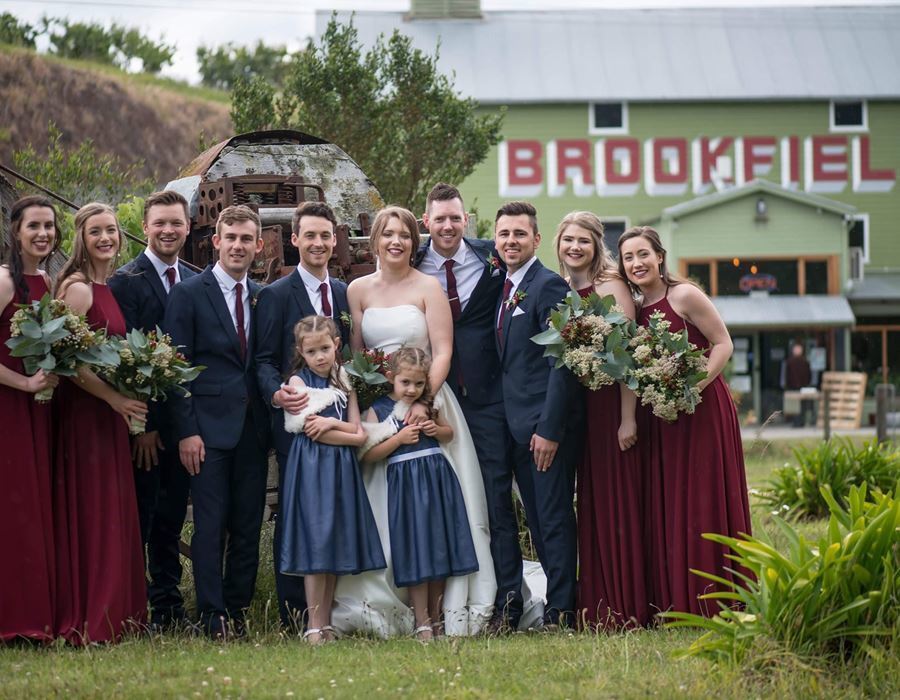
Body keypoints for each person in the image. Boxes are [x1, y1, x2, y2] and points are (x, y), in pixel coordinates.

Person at [333, 205, 496, 638]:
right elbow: (355, 356)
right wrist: (374, 408)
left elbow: (443, 350)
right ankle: (391, 604)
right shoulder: (357, 290)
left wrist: (420, 400)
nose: (396, 242)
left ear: (413, 240)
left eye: (404, 234)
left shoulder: (429, 286)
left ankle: (445, 611)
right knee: (384, 507)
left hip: (428, 401)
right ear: (375, 241)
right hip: (380, 410)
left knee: (443, 508)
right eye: (387, 234)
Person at [618, 226, 751, 617]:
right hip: (661, 416)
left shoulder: (685, 295)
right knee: (670, 501)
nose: (637, 263)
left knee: (702, 497)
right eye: (628, 258)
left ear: (659, 256)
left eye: (643, 254)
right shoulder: (635, 309)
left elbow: (723, 343)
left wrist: (691, 387)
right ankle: (675, 597)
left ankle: (716, 596)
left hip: (702, 410)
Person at [164, 205, 270, 639]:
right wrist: (186, 431)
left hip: (253, 430)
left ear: (258, 245)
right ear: (216, 242)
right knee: (210, 525)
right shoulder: (189, 294)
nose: (239, 246)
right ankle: (211, 616)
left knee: (248, 524)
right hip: (205, 432)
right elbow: (174, 366)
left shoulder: (264, 295)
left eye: (247, 239)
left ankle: (238, 610)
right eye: (232, 238)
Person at [414, 184, 518, 625]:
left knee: (494, 499)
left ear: (466, 221)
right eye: (439, 219)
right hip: (429, 400)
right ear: (426, 223)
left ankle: (507, 600)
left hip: (485, 400)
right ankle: (431, 604)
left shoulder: (491, 257)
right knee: (430, 500)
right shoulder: (408, 261)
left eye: (455, 218)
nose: (448, 226)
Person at [54, 203, 148, 644]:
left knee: (113, 510)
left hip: (110, 415)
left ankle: (118, 613)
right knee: (93, 510)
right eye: (96, 232)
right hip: (87, 415)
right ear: (82, 238)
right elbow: (66, 361)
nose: (106, 238)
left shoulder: (106, 286)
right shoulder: (78, 290)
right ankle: (93, 616)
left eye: (111, 230)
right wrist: (114, 398)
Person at [255, 201, 350, 630]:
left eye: (324, 235)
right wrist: (277, 395)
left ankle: (338, 611)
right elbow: (263, 360)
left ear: (335, 240)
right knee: (298, 516)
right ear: (294, 239)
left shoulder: (346, 293)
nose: (317, 243)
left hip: (342, 425)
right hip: (297, 428)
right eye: (309, 235)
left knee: (337, 512)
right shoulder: (275, 294)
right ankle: (296, 615)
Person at [554, 211, 649, 629]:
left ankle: (626, 602)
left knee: (617, 501)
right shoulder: (563, 287)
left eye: (584, 241)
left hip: (612, 405)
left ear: (597, 246)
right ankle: (599, 602)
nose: (575, 247)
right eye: (568, 240)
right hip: (583, 409)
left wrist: (627, 419)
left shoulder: (611, 285)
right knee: (591, 502)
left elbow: (626, 352)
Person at [493, 201, 583, 631]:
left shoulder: (549, 287)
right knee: (537, 518)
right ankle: (553, 606)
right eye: (504, 234)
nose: (511, 241)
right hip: (512, 427)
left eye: (520, 234)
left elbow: (562, 363)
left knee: (552, 521)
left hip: (542, 432)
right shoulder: (505, 283)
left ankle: (562, 612)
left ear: (537, 239)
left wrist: (550, 430)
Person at [108, 190, 196, 631]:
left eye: (176, 223)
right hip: (144, 428)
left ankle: (169, 609)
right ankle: (133, 607)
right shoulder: (125, 281)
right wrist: (139, 427)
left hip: (184, 427)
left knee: (171, 518)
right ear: (144, 227)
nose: (168, 231)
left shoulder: (196, 279)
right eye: (160, 223)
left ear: (187, 226)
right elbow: (120, 357)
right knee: (142, 519)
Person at [278, 315, 384, 645]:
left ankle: (328, 623)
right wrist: (333, 430)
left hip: (340, 469)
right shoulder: (297, 384)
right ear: (301, 352)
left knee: (334, 537)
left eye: (325, 348)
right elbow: (310, 430)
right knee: (315, 541)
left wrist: (330, 426)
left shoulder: (344, 380)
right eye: (312, 352)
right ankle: (313, 623)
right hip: (311, 468)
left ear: (337, 345)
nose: (320, 357)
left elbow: (357, 435)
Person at [360, 347, 479, 642]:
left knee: (439, 545)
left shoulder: (429, 404)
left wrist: (434, 429)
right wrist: (398, 439)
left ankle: (438, 617)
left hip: (436, 479)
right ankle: (421, 619)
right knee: (414, 548)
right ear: (390, 378)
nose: (412, 390)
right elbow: (368, 455)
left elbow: (449, 433)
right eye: (405, 383)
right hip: (405, 485)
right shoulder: (379, 409)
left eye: (419, 384)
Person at [0, 196, 61, 642]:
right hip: (10, 409)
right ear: (15, 232)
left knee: (38, 511)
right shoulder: (4, 282)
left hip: (44, 411)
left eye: (50, 226)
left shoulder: (50, 280)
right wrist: (23, 386)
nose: (43, 234)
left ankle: (38, 617)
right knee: (13, 511)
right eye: (34, 226)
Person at [784, 342, 813, 427]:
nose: (797, 351)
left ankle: (800, 422)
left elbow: (808, 374)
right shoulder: (790, 362)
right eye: (796, 349)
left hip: (802, 387)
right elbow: (787, 375)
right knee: (795, 405)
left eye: (798, 349)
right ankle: (797, 422)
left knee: (801, 405)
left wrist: (806, 384)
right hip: (794, 387)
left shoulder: (805, 362)